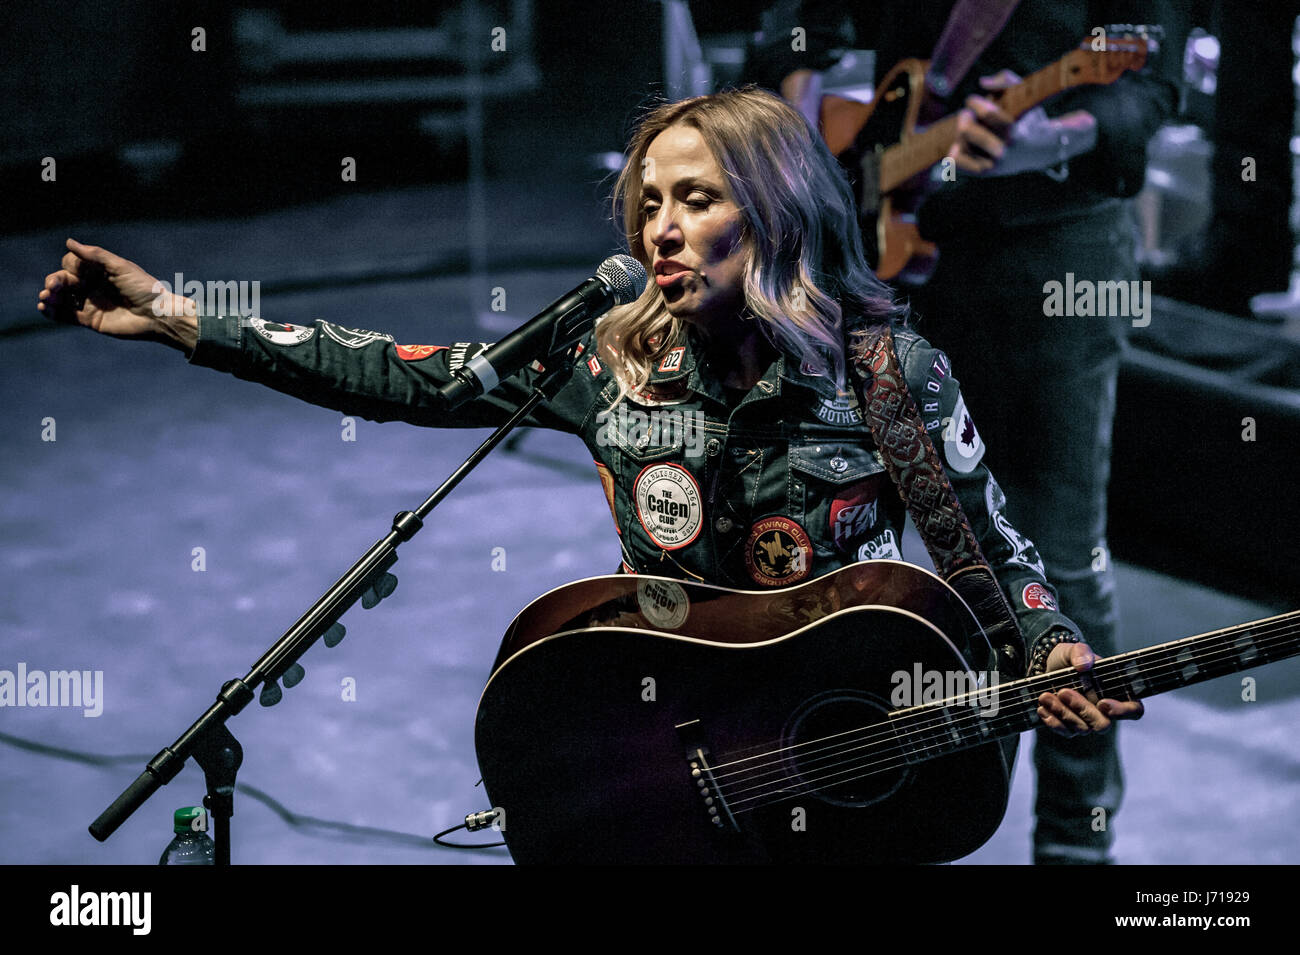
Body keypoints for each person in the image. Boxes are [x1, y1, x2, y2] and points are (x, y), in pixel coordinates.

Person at [38, 88, 1143, 848]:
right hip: (663, 739)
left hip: (827, 754)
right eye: (648, 203)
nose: (661, 227)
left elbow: (990, 549)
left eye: (696, 200)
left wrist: (1048, 644)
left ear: (777, 211)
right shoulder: (604, 355)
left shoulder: (886, 373)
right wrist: (188, 322)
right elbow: (410, 376)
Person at [748, 1, 1181, 863]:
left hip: (1050, 257)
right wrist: (810, 146)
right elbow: (797, 22)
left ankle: (1074, 840)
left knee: (1057, 557)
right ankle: (845, 810)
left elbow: (1150, 83)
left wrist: (1051, 138)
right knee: (839, 550)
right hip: (878, 258)